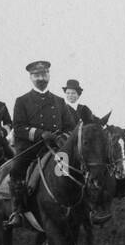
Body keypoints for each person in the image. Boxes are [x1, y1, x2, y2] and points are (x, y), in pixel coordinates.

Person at [5, 60, 79, 226]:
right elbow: (18, 128)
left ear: (49, 75)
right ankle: (17, 211)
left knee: (72, 171)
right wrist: (40, 134)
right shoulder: (22, 100)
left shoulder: (59, 101)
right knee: (17, 169)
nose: (41, 78)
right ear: (30, 77)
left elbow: (70, 127)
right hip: (31, 147)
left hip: (56, 148)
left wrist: (61, 137)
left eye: (44, 74)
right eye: (36, 75)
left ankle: (77, 207)